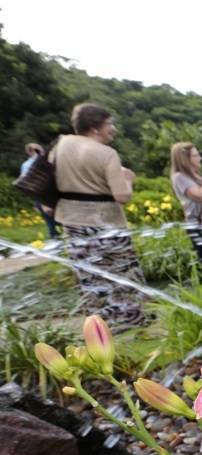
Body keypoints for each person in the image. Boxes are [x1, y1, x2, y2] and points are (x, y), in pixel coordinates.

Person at [51, 103, 145, 330]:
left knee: (90, 274)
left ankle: (99, 326)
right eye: (109, 124)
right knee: (120, 273)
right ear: (95, 127)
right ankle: (129, 320)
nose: (113, 129)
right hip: (106, 222)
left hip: (72, 220)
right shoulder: (106, 153)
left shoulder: (60, 145)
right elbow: (121, 195)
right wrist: (128, 178)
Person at [20, 143, 60, 238]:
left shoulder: (26, 165)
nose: (41, 152)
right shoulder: (34, 164)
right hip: (45, 195)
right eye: (38, 150)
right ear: (30, 152)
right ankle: (56, 238)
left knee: (51, 221)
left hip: (43, 196)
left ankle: (55, 237)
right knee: (52, 220)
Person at [170, 142, 202, 222]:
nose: (200, 158)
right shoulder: (179, 177)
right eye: (196, 156)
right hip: (197, 224)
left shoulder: (196, 176)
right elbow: (201, 197)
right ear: (185, 159)